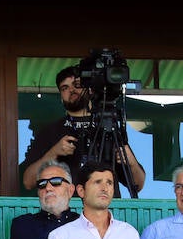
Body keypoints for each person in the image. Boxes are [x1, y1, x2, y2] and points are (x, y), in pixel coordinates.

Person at [19, 65, 145, 196]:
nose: (71, 90)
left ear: (90, 90)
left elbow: (138, 185)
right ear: (61, 96)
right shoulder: (50, 131)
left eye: (77, 85)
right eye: (65, 88)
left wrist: (131, 161)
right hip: (66, 212)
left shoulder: (107, 128)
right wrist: (54, 152)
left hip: (106, 211)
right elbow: (28, 181)